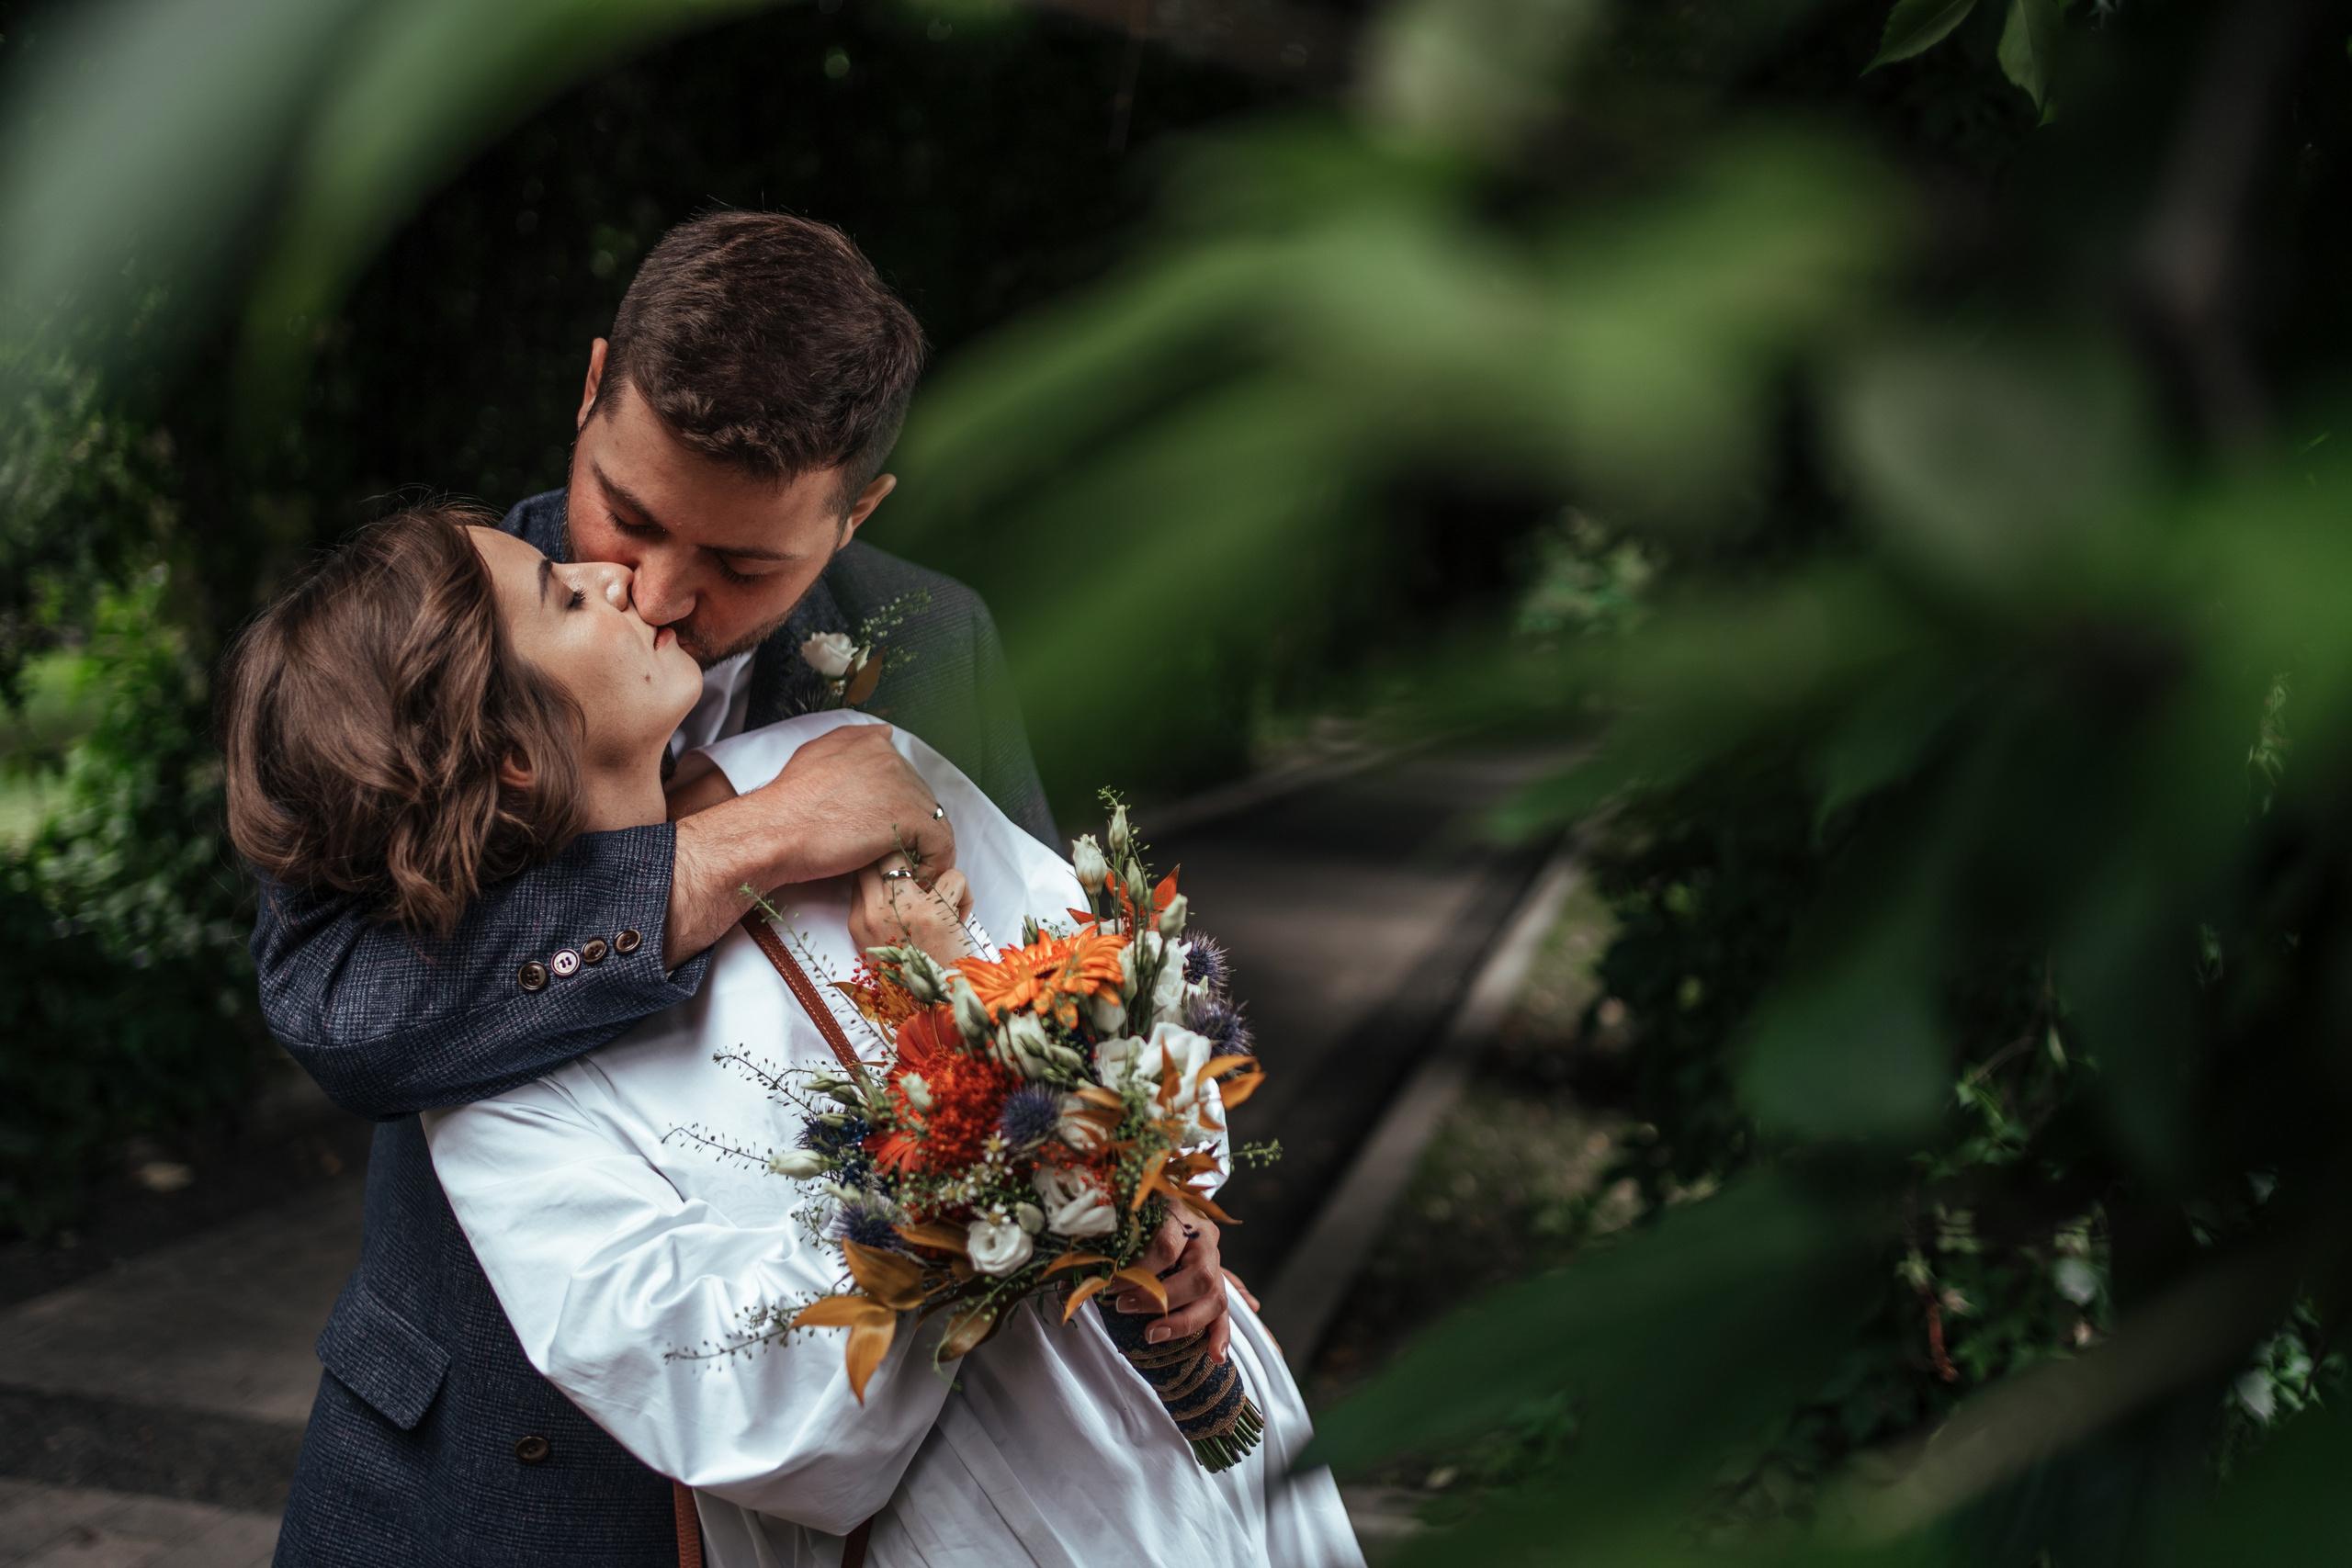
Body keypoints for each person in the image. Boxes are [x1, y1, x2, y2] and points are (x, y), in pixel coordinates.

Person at [238, 213, 1235, 1563]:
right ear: (594, 391)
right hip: (483, 1473)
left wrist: (1143, 1194)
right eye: (628, 515)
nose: (652, 587)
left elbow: (1052, 997)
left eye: (745, 565)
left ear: (854, 514)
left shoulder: (936, 648)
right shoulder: (435, 626)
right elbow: (343, 1012)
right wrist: (743, 843)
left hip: (872, 1464)